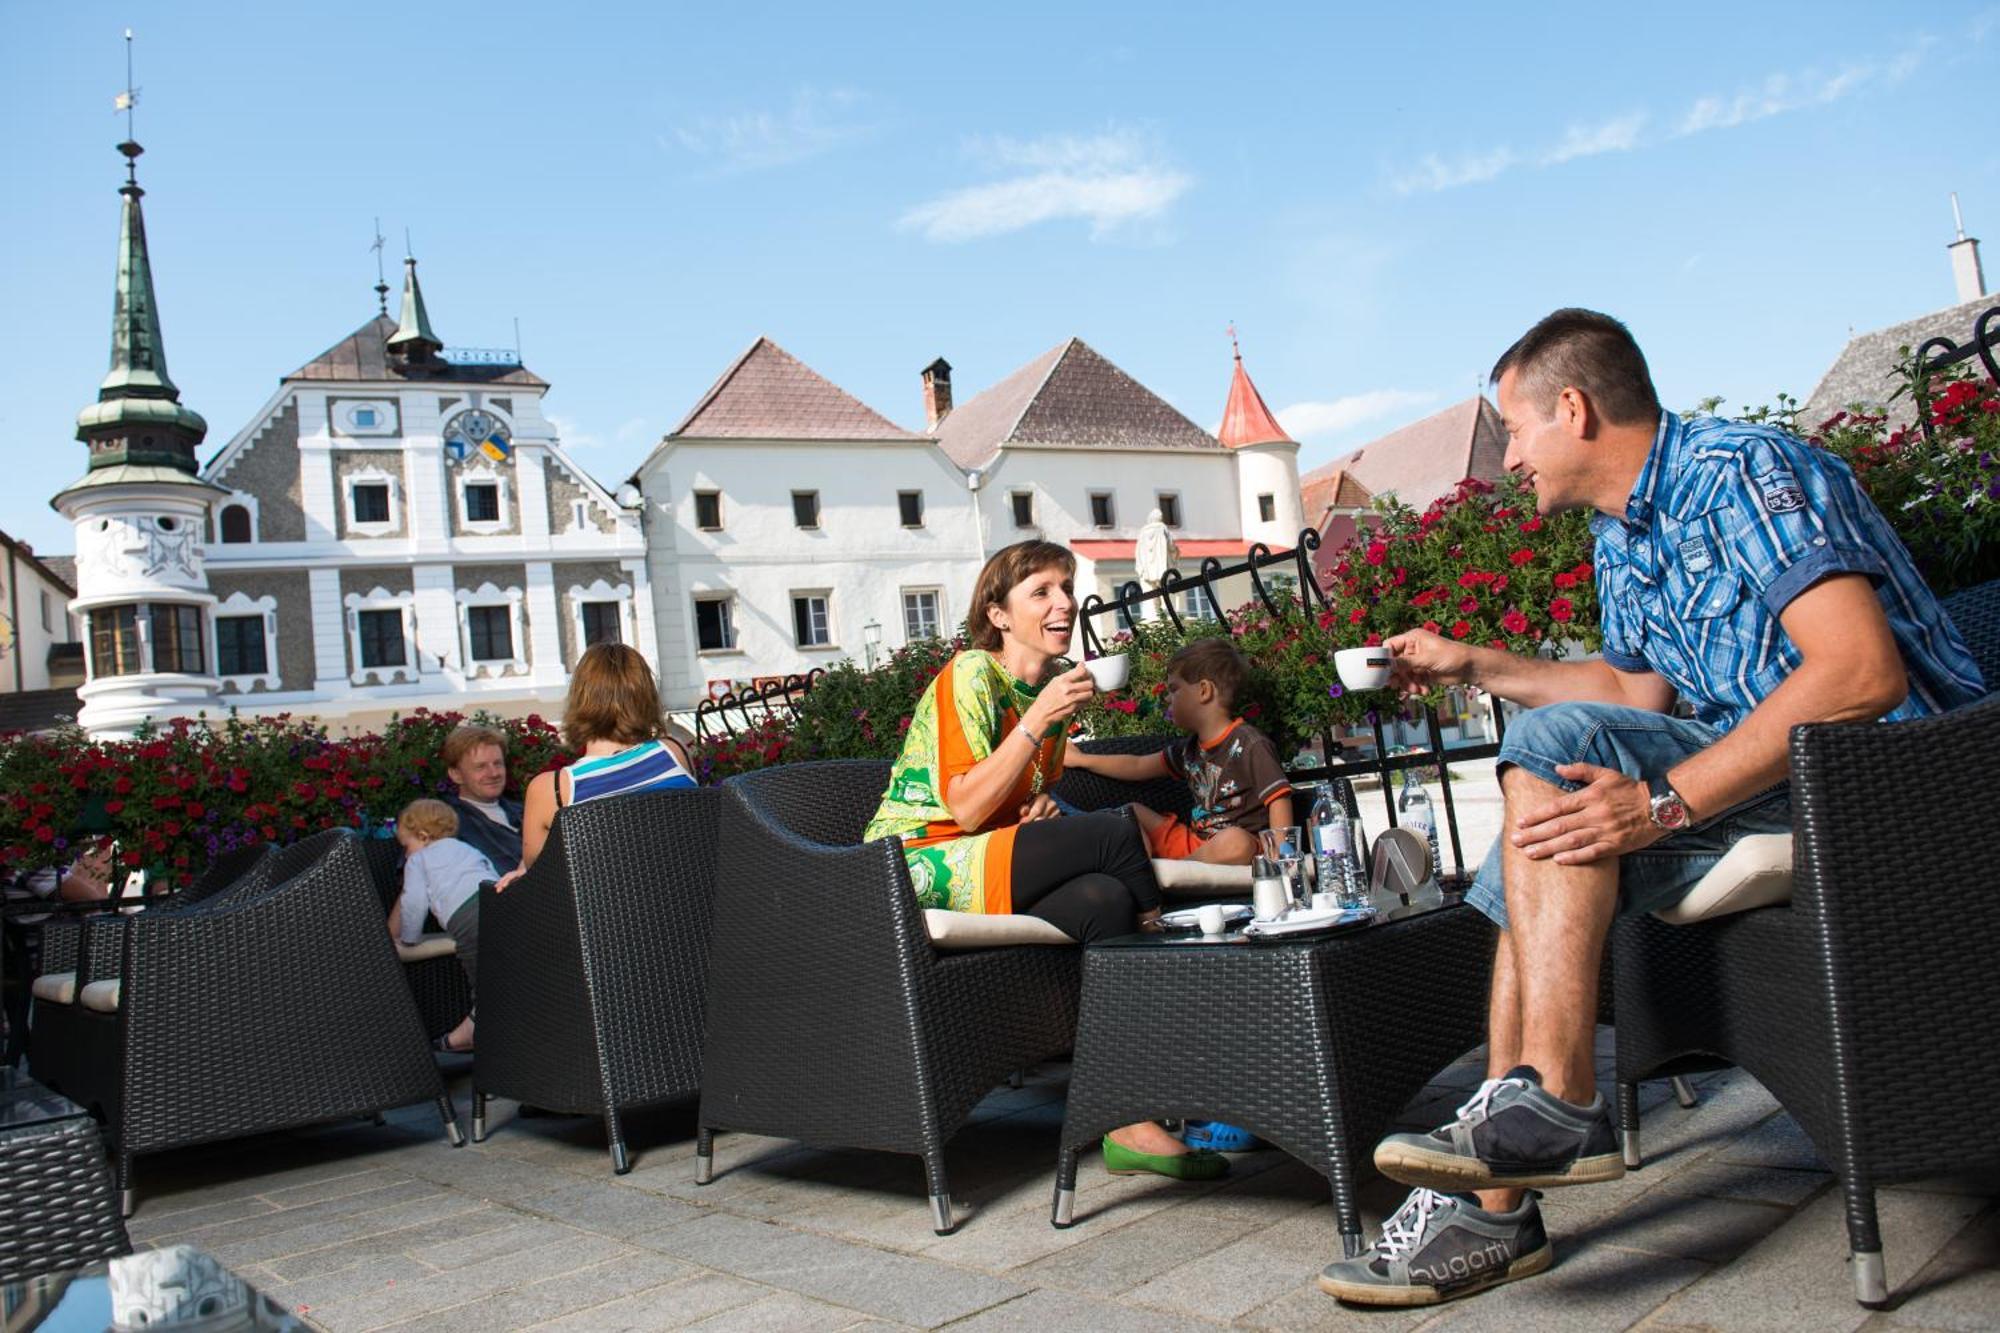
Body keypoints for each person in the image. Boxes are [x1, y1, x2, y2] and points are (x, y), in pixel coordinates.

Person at [1318, 309, 1985, 1307]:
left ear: (1573, 409)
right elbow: (1634, 698)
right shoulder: (1617, 535)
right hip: (1763, 777)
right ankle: (1534, 1124)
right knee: (1551, 795)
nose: (1509, 461)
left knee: (1556, 782)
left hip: (1895, 781)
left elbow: (1857, 671)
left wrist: (1666, 805)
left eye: (1514, 431)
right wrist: (1481, 665)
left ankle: (1514, 1170)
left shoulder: (1741, 474)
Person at [864, 539, 1224, 1182]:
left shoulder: (1051, 695)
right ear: (998, 615)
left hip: (983, 857)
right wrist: (1038, 721)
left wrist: (1042, 810)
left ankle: (1127, 1119)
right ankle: (1174, 967)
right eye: (1042, 592)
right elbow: (967, 807)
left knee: (1104, 900)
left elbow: (1011, 804)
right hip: (912, 863)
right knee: (1115, 834)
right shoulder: (972, 673)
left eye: (1066, 586)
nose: (1064, 602)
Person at [1064, 637, 1294, 864]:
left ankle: (1178, 872)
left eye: (1174, 689)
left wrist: (1282, 858)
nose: (1167, 698)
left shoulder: (1249, 743)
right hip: (1195, 844)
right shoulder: (1188, 749)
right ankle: (1146, 873)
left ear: (1204, 691)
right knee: (1131, 813)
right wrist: (1082, 759)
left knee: (1236, 842)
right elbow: (1137, 765)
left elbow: (1279, 800)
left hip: (1242, 849)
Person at [499, 643, 697, 885]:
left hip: (609, 919)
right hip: (694, 908)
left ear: (580, 700)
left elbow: (539, 879)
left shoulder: (554, 790)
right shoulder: (673, 753)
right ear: (646, 697)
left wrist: (522, 871)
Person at [389, 799, 490, 1054]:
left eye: (406, 846)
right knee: (499, 968)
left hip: (466, 916)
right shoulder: (467, 849)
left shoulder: (419, 860)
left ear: (422, 837)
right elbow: (489, 872)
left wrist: (410, 938)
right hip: (496, 903)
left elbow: (413, 902)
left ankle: (482, 1025)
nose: (406, 854)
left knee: (480, 974)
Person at [439, 725, 524, 873]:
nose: (493, 773)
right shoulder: (447, 826)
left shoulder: (525, 811)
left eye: (498, 763)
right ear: (456, 775)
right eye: (480, 767)